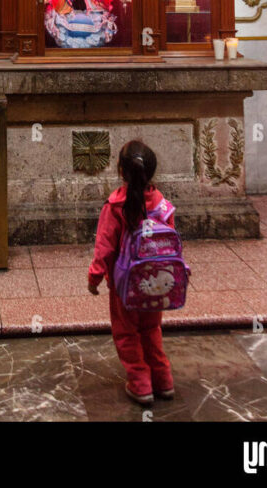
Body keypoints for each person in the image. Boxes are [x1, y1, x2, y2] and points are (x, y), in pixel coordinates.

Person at [88, 140, 175, 405]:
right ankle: (163, 380)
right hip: (157, 282)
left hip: (125, 284)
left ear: (120, 171)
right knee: (151, 329)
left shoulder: (116, 206)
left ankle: (140, 383)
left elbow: (104, 247)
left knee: (126, 332)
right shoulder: (162, 205)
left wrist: (94, 277)